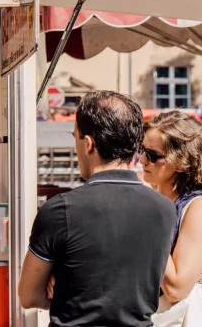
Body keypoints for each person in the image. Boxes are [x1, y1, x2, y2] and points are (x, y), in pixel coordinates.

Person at [19, 90, 176, 327]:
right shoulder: (164, 209)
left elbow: (29, 295)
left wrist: (67, 293)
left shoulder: (59, 211)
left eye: (76, 138)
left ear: (89, 144)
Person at [141, 110, 202, 326]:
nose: (142, 160)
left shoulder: (196, 207)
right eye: (142, 150)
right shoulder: (156, 200)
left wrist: (149, 214)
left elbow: (176, 288)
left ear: (181, 160)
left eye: (152, 155)